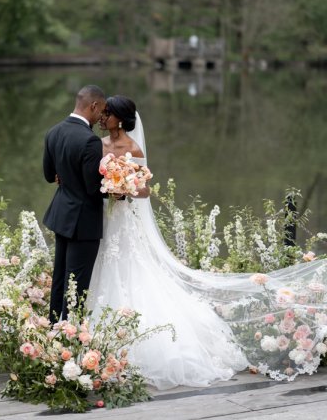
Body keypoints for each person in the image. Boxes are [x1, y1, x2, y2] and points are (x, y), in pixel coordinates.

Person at [87, 96, 327, 389]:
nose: (103, 117)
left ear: (120, 119)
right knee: (104, 263)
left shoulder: (133, 148)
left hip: (124, 217)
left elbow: (145, 191)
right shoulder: (98, 144)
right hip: (106, 220)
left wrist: (122, 187)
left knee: (130, 267)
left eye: (108, 113)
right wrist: (105, 188)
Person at [43, 84, 107, 323]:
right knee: (77, 285)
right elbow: (94, 188)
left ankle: (52, 329)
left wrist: (66, 176)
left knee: (60, 278)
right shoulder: (90, 141)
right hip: (83, 222)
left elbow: (50, 175)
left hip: (61, 215)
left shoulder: (53, 132)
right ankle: (70, 340)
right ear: (94, 106)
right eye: (102, 110)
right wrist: (118, 188)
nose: (102, 116)